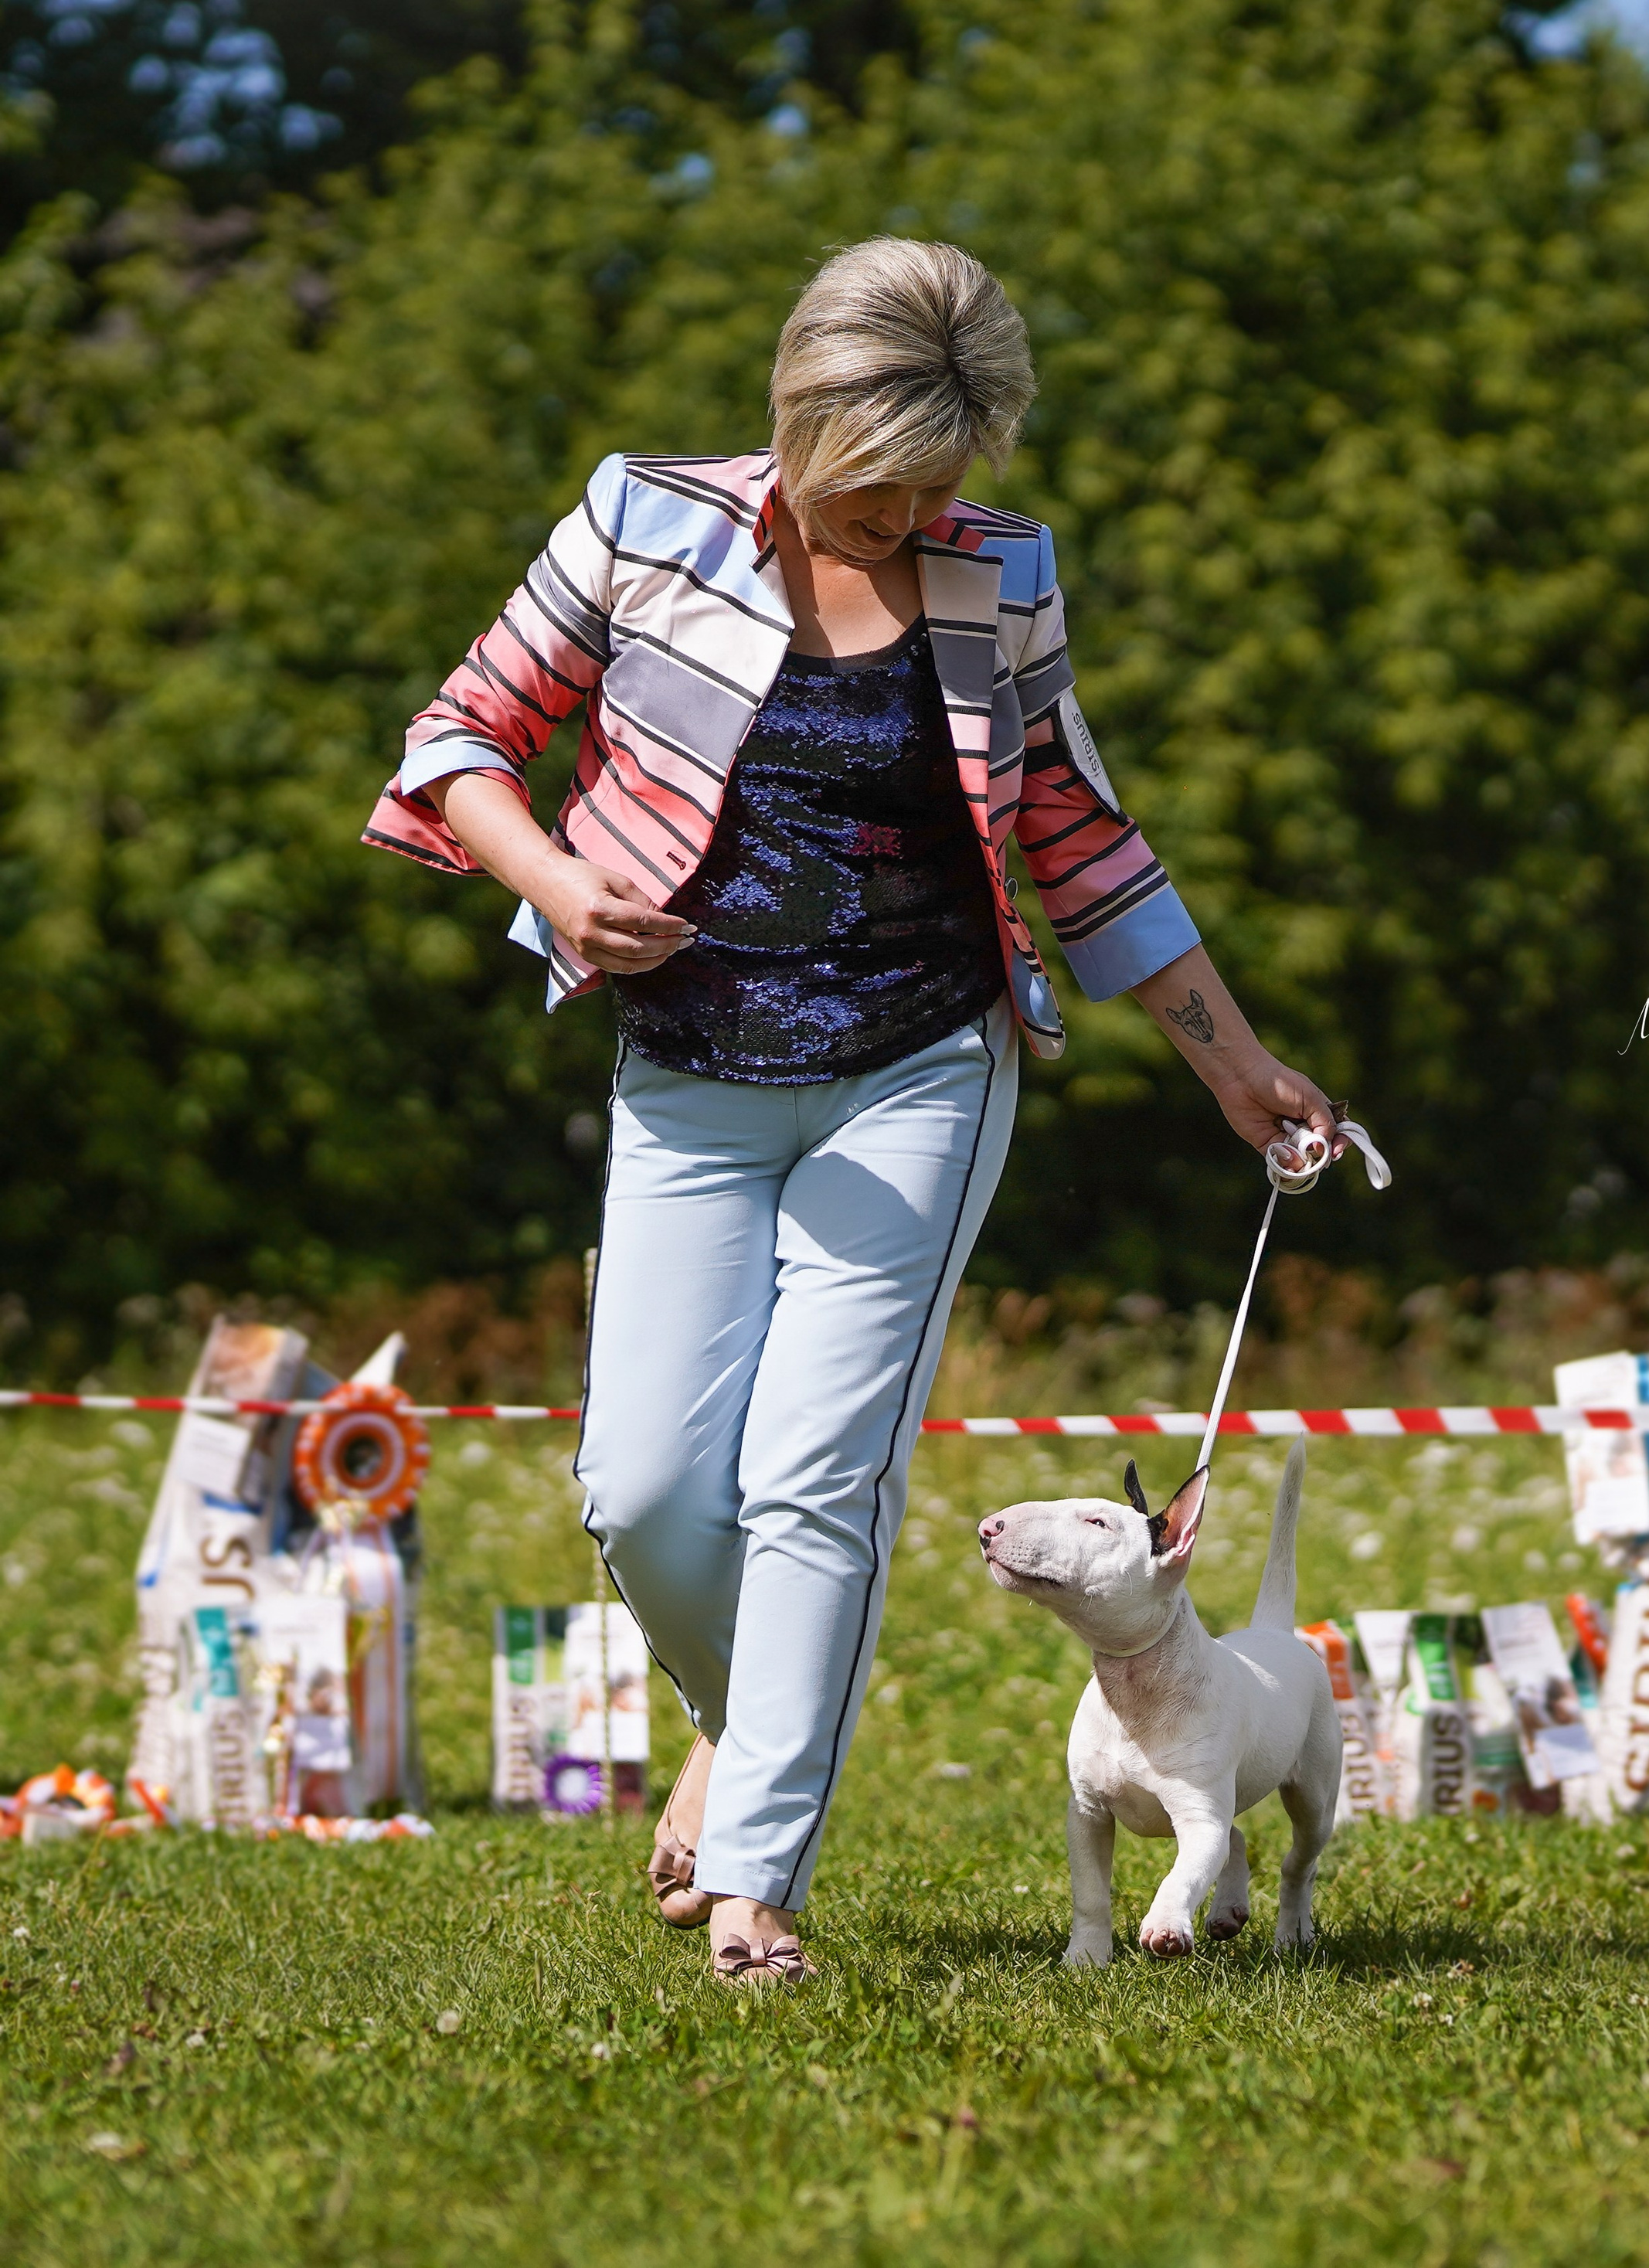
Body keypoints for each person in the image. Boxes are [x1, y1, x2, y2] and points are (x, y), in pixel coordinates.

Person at [364, 237, 1334, 1982]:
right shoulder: (640, 522)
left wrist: (1236, 1062)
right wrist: (559, 885)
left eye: (938, 490)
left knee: (818, 1475)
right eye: (876, 490)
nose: (906, 523)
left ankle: (756, 1890)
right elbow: (459, 738)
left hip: (921, 1065)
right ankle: (741, 1719)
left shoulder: (1001, 570)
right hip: (687, 1068)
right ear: (798, 419)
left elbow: (1074, 830)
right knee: (641, 1487)